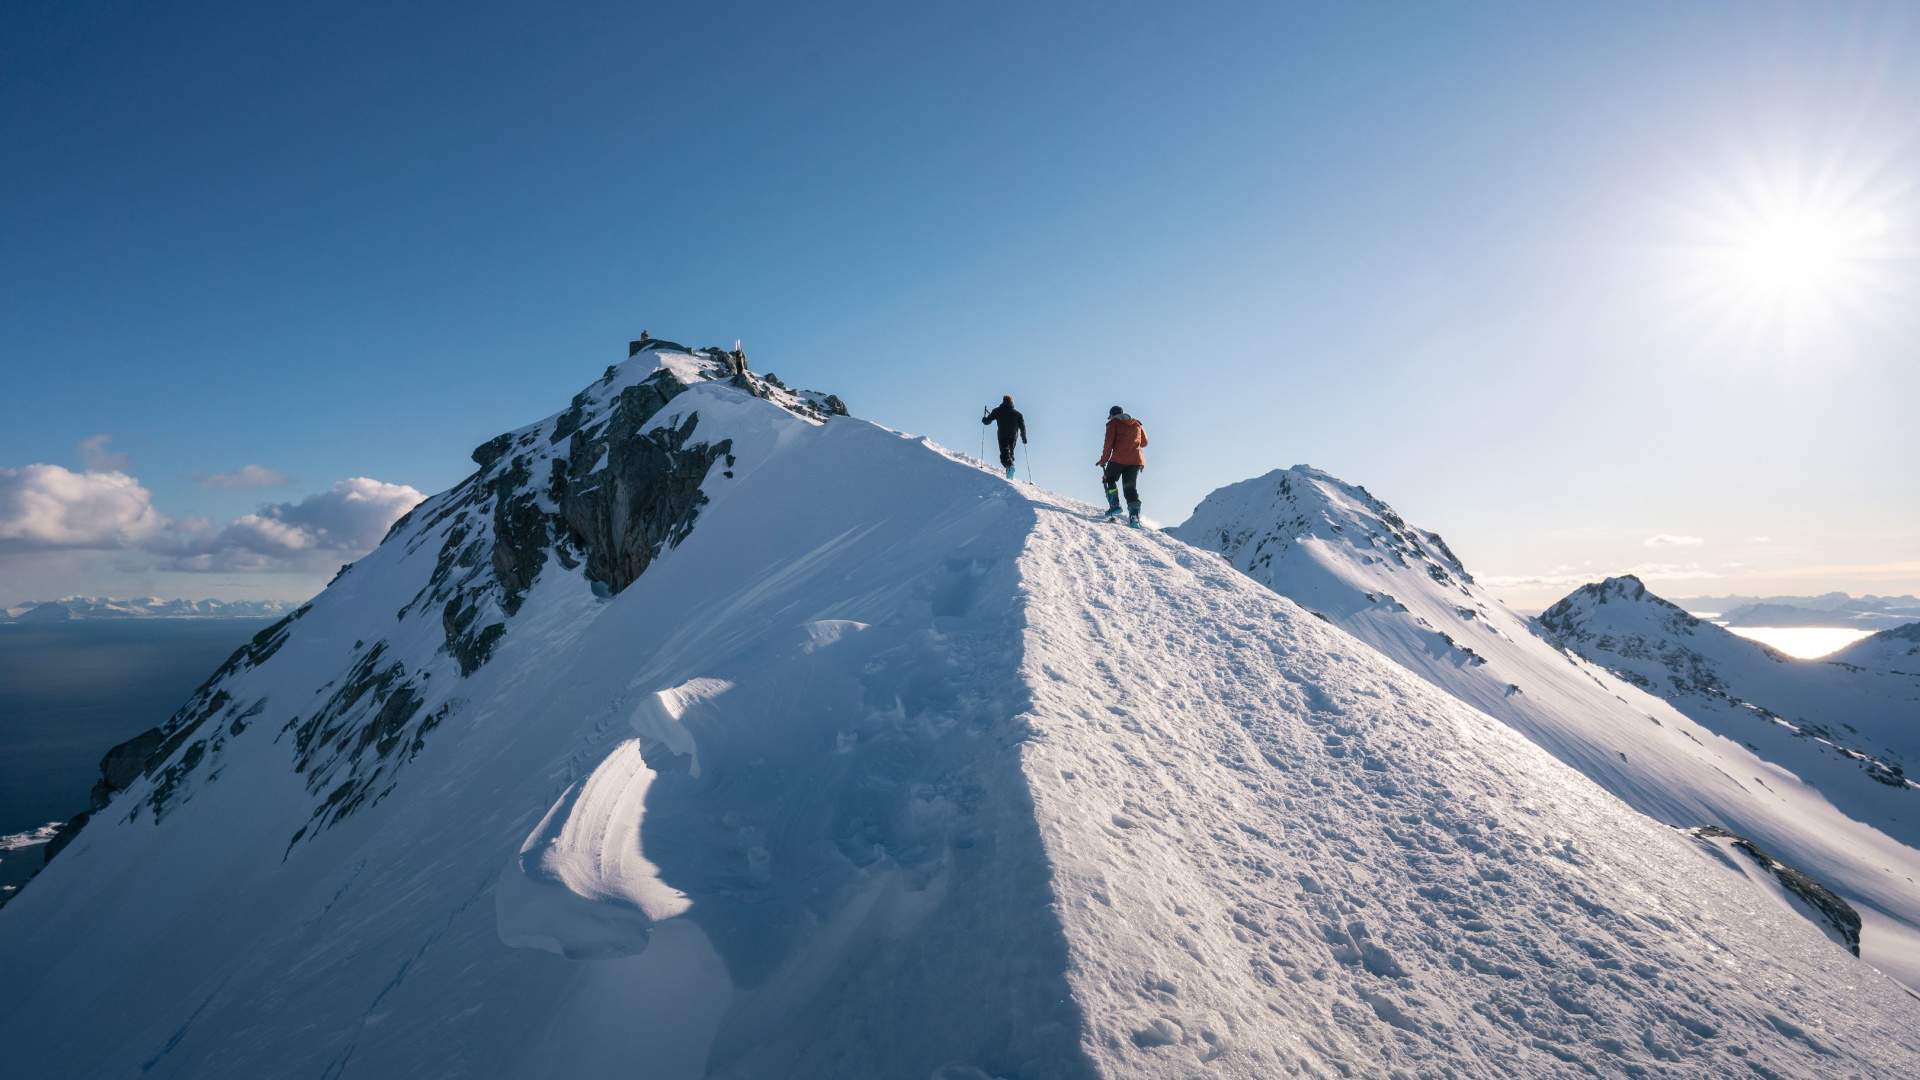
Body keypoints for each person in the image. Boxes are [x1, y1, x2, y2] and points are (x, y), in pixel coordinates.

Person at [1096, 405, 1148, 526]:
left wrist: (1103, 460)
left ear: (1112, 415)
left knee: (1109, 478)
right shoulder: (1137, 424)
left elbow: (1108, 445)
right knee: (1130, 488)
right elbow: (1144, 442)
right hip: (1135, 461)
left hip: (1118, 459)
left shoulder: (1113, 424)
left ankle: (1114, 505)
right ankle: (1134, 517)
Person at [981, 395, 1027, 479]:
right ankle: (1009, 473)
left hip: (1002, 435)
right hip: (1013, 437)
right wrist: (1023, 437)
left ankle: (1010, 467)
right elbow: (1022, 427)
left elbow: (988, 421)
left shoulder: (997, 411)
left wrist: (984, 420)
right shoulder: (1018, 414)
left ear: (1003, 401)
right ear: (1012, 402)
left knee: (1004, 454)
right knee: (1010, 453)